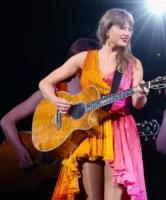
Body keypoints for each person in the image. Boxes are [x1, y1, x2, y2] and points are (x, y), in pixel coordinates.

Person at [38, 8, 148, 200]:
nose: (127, 33)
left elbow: (138, 104)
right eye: (122, 27)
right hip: (89, 131)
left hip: (119, 132)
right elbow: (45, 83)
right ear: (107, 29)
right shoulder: (84, 58)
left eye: (130, 29)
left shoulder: (133, 63)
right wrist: (56, 101)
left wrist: (141, 94)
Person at [0, 38, 99, 169]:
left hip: (87, 162)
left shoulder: (98, 95)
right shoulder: (53, 91)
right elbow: (7, 120)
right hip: (52, 167)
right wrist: (20, 149)